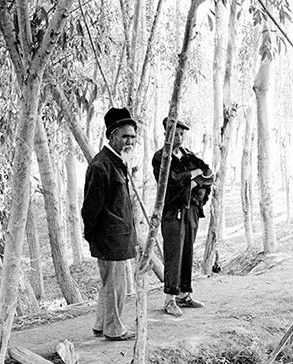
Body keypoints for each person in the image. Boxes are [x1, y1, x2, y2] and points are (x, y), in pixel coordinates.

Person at [81, 107, 138, 341]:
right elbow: (90, 208)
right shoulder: (101, 165)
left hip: (118, 236)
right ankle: (114, 329)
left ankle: (101, 325)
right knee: (117, 286)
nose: (130, 141)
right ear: (112, 135)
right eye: (125, 136)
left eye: (133, 137)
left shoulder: (118, 162)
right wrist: (93, 235)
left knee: (109, 284)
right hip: (109, 237)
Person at [152, 118, 214, 318]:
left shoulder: (189, 155)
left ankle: (184, 294)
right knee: (174, 253)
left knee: (187, 250)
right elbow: (170, 183)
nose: (178, 138)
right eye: (174, 134)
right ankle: (169, 299)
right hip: (172, 211)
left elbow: (208, 176)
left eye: (181, 134)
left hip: (191, 210)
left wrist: (195, 187)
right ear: (166, 134)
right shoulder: (160, 157)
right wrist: (192, 178)